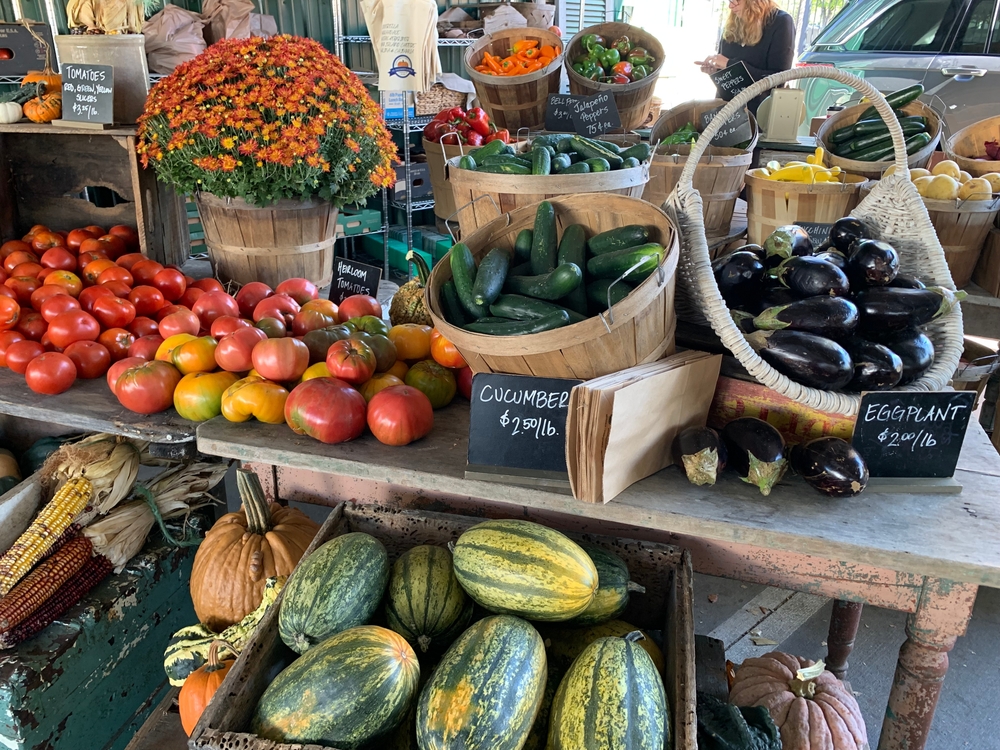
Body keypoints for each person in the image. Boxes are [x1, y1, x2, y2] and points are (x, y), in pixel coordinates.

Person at [695, 0, 795, 116]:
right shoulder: (732, 24)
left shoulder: (781, 22)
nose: (730, 5)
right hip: (727, 114)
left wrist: (730, 64)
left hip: (759, 115)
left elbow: (779, 79)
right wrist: (716, 71)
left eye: (736, 0)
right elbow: (729, 78)